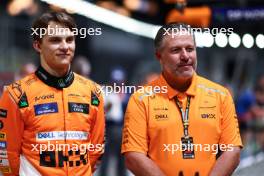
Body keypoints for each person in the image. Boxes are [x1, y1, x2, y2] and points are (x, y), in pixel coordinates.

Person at [121, 23, 242, 176]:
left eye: (190, 49)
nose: (185, 56)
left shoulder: (221, 95)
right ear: (159, 56)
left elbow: (232, 151)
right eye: (176, 50)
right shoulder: (141, 99)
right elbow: (133, 156)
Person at [0, 12, 105, 176]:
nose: (65, 46)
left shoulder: (93, 92)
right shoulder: (15, 94)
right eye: (55, 40)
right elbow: (6, 154)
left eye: (69, 40)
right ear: (38, 45)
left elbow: (96, 149)